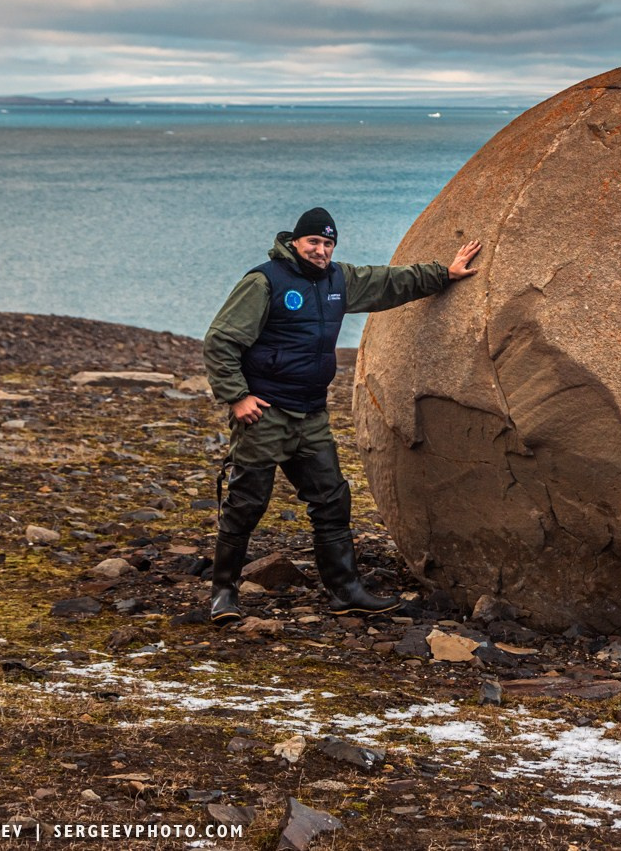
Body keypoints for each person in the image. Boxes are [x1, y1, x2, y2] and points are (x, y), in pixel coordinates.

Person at [202, 206, 481, 625]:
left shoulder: (338, 280)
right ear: (295, 242)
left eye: (328, 244)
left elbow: (390, 282)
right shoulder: (265, 281)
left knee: (332, 500)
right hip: (265, 412)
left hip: (310, 414)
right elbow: (220, 341)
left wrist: (444, 274)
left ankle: (345, 591)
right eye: (314, 242)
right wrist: (237, 397)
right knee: (246, 503)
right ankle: (223, 593)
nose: (321, 250)